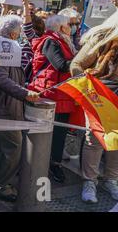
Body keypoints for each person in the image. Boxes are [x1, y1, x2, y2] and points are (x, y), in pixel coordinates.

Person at [0, 15, 39, 202]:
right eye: (20, 30)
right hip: (4, 107)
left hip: (6, 105)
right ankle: (0, 185)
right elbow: (1, 78)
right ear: (13, 33)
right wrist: (24, 93)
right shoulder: (3, 49)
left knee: (1, 147)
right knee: (13, 147)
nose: (21, 34)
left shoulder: (7, 47)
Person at [70, 9, 118, 204]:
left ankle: (111, 180)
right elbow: (77, 64)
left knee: (117, 139)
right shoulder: (102, 37)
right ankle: (89, 181)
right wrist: (88, 90)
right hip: (100, 95)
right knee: (95, 139)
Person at [28, 14, 77, 183]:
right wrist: (83, 60)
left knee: (59, 134)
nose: (72, 28)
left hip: (62, 94)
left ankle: (54, 164)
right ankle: (35, 166)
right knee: (45, 134)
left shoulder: (63, 42)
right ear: (61, 27)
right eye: (70, 24)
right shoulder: (50, 41)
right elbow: (61, 65)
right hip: (49, 94)